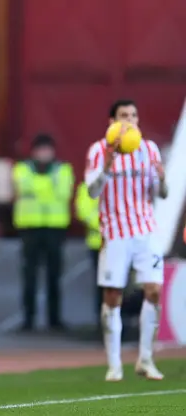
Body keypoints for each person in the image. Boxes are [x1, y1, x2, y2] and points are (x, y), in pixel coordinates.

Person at [85, 99, 168, 382]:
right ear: (112, 122)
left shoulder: (149, 149)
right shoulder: (98, 151)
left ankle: (146, 358)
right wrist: (107, 165)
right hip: (115, 233)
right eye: (123, 116)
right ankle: (114, 364)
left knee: (154, 290)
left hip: (145, 230)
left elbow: (161, 194)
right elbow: (92, 192)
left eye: (133, 115)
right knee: (112, 296)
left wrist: (163, 179)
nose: (129, 120)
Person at [11, 134, 74, 331]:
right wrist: (48, 188)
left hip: (55, 227)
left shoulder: (64, 169)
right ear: (34, 151)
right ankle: (28, 319)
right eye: (41, 149)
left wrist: (37, 188)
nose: (44, 154)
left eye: (47, 150)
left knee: (54, 276)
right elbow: (23, 189)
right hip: (30, 227)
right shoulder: (21, 169)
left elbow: (64, 193)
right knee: (29, 276)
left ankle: (54, 319)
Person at [74, 181, 103, 326]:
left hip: (123, 243)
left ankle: (121, 321)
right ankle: (102, 323)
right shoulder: (88, 185)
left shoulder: (125, 181)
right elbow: (84, 211)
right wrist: (108, 226)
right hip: (98, 243)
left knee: (121, 286)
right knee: (102, 285)